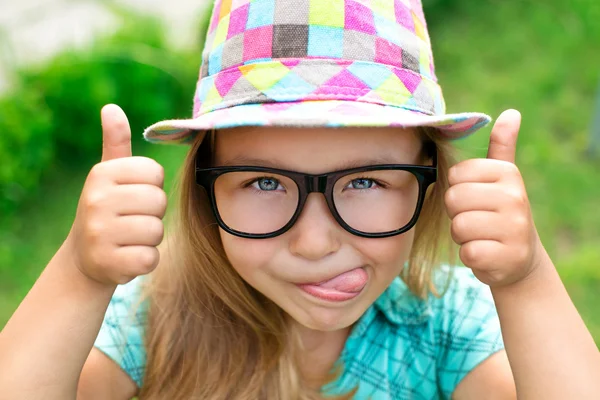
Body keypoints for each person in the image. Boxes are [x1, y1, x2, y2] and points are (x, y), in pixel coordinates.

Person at [1, 0, 599, 399]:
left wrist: (526, 282)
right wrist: (79, 277)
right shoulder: (149, 320)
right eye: (264, 183)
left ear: (432, 181)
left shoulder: (447, 327)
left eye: (366, 182)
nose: (315, 242)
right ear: (207, 191)